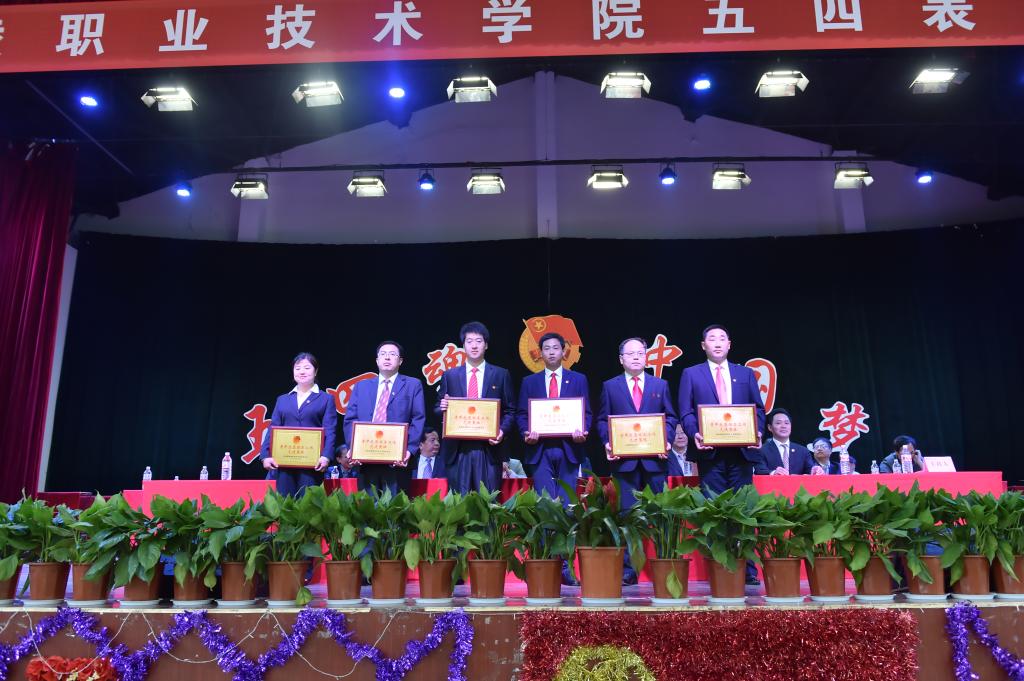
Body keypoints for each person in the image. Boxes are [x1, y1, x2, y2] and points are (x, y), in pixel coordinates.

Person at [678, 324, 765, 585]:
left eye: (722, 338)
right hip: (710, 453)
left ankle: (746, 569)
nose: (717, 343)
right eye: (712, 339)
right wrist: (695, 433)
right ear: (703, 345)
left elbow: (758, 409)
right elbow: (686, 411)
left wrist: (758, 431)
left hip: (741, 452)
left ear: (729, 344)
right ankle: (720, 568)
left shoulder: (745, 373)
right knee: (714, 510)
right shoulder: (691, 374)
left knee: (743, 510)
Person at [597, 337, 676, 585]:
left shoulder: (660, 385)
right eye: (630, 354)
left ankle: (664, 565)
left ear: (646, 357)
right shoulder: (610, 386)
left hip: (655, 461)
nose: (635, 357)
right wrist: (608, 442)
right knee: (627, 517)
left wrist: (667, 441)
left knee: (660, 514)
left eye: (640, 353)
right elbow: (602, 420)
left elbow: (671, 418)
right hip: (624, 463)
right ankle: (629, 570)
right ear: (621, 359)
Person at [435, 321, 516, 493]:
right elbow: (437, 408)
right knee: (459, 502)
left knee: (488, 501)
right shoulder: (450, 375)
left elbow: (510, 410)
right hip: (458, 449)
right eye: (469, 341)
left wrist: (501, 431)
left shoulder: (501, 374)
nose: (474, 346)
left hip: (489, 449)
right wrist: (442, 407)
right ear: (463, 345)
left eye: (479, 341)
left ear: (486, 345)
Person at [516, 332, 592, 504]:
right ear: (540, 353)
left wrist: (583, 431)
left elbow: (586, 412)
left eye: (556, 348)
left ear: (563, 352)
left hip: (570, 448)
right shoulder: (529, 382)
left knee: (567, 502)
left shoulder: (579, 379)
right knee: (545, 503)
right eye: (547, 348)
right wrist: (526, 432)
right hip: (539, 449)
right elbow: (521, 414)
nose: (551, 352)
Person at [343, 341, 426, 496]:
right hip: (366, 459)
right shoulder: (362, 386)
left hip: (398, 461)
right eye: (383, 354)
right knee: (367, 507)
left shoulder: (412, 385)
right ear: (377, 360)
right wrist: (353, 448)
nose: (387, 357)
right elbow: (350, 419)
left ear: (400, 361)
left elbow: (418, 419)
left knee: (395, 507)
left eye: (392, 354)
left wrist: (409, 450)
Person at [260, 352, 337, 497]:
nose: (302, 371)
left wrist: (326, 456)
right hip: (284, 462)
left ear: (316, 371)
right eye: (298, 368)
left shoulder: (326, 399)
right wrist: (265, 455)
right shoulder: (282, 399)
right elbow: (273, 429)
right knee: (284, 502)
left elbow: (330, 430)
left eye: (307, 368)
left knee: (308, 504)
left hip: (312, 464)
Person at [755, 408, 813, 476]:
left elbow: (810, 470)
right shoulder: (762, 450)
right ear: (770, 427)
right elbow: (759, 470)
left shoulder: (803, 451)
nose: (783, 426)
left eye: (786, 423)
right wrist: (773, 473)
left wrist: (814, 470)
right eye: (778, 423)